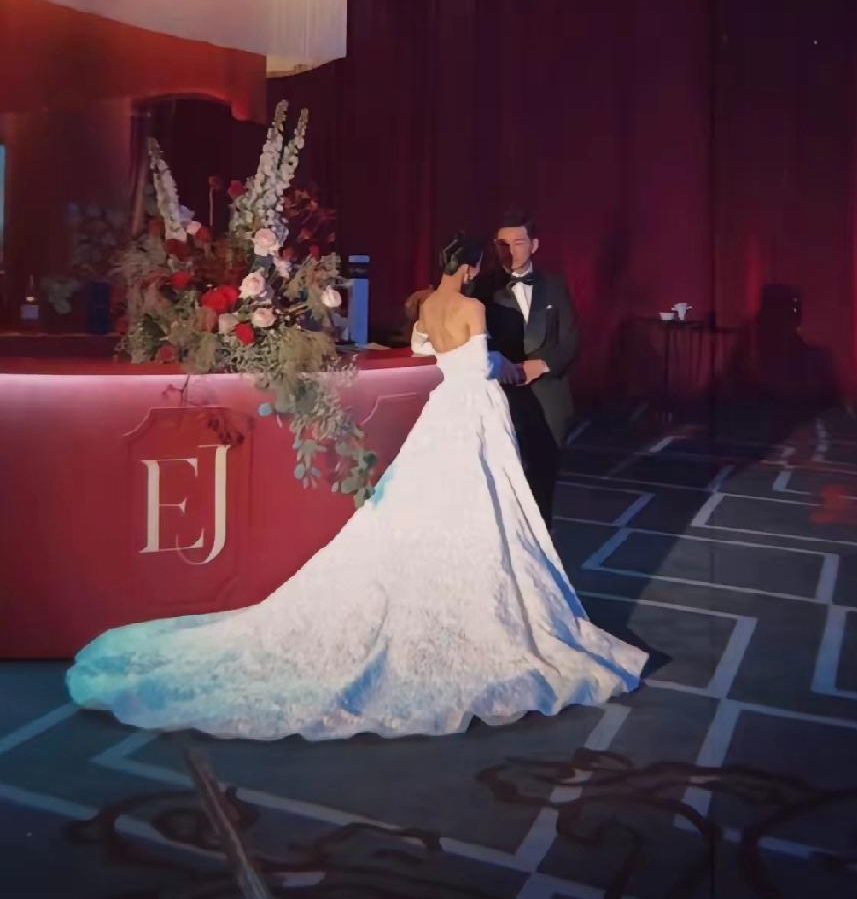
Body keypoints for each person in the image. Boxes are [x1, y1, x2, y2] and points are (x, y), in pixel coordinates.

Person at [66, 234, 645, 743]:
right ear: (468, 266)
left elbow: (425, 351)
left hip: (442, 414)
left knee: (433, 508)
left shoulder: (428, 305)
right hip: (473, 414)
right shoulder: (471, 305)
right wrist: (506, 364)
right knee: (481, 509)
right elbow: (478, 368)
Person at [481, 211, 578, 529]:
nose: (510, 251)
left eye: (518, 243)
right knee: (501, 483)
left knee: (542, 482)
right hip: (502, 397)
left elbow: (571, 339)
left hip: (548, 399)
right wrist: (497, 360)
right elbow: (470, 342)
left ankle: (542, 547)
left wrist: (543, 365)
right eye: (503, 244)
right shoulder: (482, 288)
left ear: (534, 245)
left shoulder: (555, 286)